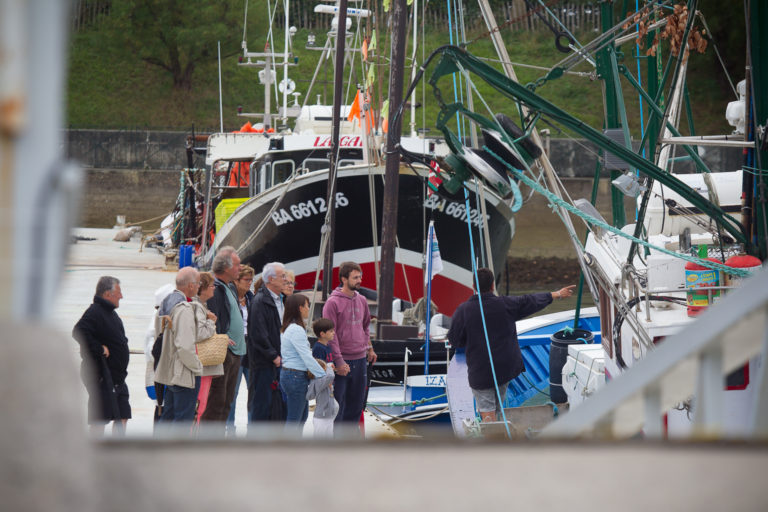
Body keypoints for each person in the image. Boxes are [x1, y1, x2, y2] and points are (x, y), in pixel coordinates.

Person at [447, 267, 575, 422]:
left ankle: (492, 436)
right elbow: (531, 301)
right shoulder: (506, 304)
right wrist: (557, 294)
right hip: (505, 368)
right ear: (493, 285)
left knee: (487, 408)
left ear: (473, 286)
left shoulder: (464, 310)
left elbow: (454, 340)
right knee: (498, 404)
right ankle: (499, 429)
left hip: (480, 370)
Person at [72, 276, 130, 436]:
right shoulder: (95, 312)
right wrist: (98, 348)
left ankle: (117, 451)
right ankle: (96, 452)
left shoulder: (110, 313)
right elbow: (78, 331)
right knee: (101, 419)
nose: (121, 296)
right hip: (102, 377)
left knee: (123, 415)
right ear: (107, 294)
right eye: (118, 292)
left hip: (117, 378)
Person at [322, 261, 377, 429]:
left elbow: (365, 326)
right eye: (355, 277)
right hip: (342, 362)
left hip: (360, 360)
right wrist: (339, 361)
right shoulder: (332, 303)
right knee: (338, 407)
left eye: (360, 276)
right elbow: (331, 336)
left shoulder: (362, 300)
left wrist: (369, 348)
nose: (359, 280)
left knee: (355, 407)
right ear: (344, 279)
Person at [155, 267, 210, 424]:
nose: (200, 287)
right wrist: (197, 367)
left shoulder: (167, 302)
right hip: (184, 374)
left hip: (169, 371)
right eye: (199, 283)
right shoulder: (184, 309)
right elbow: (185, 346)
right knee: (183, 422)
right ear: (191, 286)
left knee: (167, 417)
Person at [200, 246, 246, 426]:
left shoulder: (229, 287)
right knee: (217, 401)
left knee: (227, 400)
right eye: (237, 264)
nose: (240, 268)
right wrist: (223, 339)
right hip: (223, 352)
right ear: (226, 268)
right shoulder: (216, 289)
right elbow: (214, 319)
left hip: (234, 352)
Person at [280, 294, 328, 430]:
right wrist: (323, 376)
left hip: (292, 375)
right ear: (300, 308)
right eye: (307, 305)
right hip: (295, 377)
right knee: (295, 419)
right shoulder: (296, 329)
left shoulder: (290, 328)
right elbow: (306, 356)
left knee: (302, 417)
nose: (309, 308)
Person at [247, 261, 287, 423]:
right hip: (265, 363)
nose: (286, 279)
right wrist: (274, 356)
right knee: (262, 406)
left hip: (278, 362)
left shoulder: (279, 300)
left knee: (276, 406)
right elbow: (258, 334)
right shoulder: (260, 301)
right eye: (282, 276)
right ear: (270, 279)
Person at [226, 265, 255, 434]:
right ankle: (230, 427)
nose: (250, 283)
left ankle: (251, 427)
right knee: (232, 392)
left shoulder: (251, 298)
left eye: (252, 280)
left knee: (253, 390)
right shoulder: (229, 298)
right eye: (246, 280)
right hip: (235, 346)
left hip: (250, 348)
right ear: (236, 281)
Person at [195, 272, 222, 423]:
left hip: (203, 360)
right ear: (203, 288)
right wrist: (211, 322)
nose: (214, 289)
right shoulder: (198, 307)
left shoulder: (202, 305)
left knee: (202, 403)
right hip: (201, 361)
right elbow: (201, 333)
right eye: (212, 285)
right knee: (200, 403)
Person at [310, 318, 338, 437]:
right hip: (324, 383)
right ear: (322, 334)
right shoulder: (318, 348)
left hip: (330, 381)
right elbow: (319, 367)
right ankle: (320, 433)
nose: (333, 333)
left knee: (333, 407)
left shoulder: (328, 346)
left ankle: (327, 432)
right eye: (331, 331)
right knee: (326, 408)